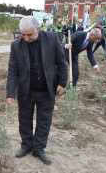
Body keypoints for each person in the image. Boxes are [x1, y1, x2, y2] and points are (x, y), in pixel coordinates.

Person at [6, 16, 68, 165]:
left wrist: (62, 83)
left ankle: (39, 148)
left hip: (47, 89)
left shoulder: (52, 39)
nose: (26, 38)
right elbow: (12, 71)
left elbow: (61, 63)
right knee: (24, 119)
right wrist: (10, 93)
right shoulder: (16, 46)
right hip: (26, 90)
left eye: (29, 35)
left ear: (38, 29)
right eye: (23, 35)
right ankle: (26, 145)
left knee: (44, 121)